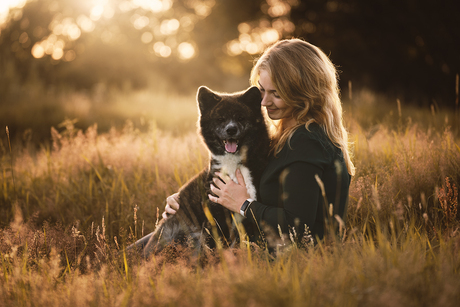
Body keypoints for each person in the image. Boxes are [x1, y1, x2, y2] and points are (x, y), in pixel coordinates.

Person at [163, 38, 355, 243]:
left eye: (276, 94)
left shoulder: (307, 142)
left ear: (304, 93)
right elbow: (235, 177)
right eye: (262, 90)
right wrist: (186, 202)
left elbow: (299, 227)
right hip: (253, 245)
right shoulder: (286, 135)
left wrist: (243, 205)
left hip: (285, 260)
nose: (264, 102)